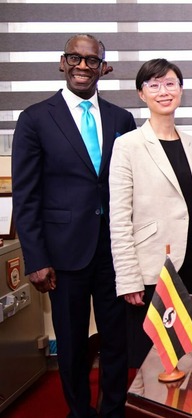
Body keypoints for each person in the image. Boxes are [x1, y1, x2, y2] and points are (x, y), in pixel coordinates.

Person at [11, 34, 136, 418]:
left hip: (114, 251)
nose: (83, 66)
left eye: (92, 60)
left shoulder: (122, 119)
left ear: (104, 67)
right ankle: (80, 412)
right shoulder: (35, 118)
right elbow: (26, 195)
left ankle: (113, 410)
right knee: (71, 340)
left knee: (117, 340)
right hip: (63, 254)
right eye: (75, 58)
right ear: (62, 63)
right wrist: (35, 257)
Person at [109, 59, 192, 367]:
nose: (163, 91)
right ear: (141, 94)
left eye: (170, 84)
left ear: (181, 91)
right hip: (151, 269)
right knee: (153, 360)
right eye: (154, 85)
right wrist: (128, 279)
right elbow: (119, 219)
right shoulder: (127, 146)